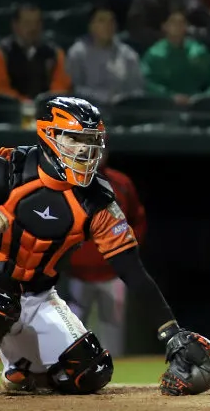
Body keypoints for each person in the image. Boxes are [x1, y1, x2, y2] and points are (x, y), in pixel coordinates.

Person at [0, 96, 210, 397]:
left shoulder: (98, 201)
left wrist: (171, 332)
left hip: (37, 295)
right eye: (74, 139)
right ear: (49, 136)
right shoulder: (7, 164)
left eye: (91, 140)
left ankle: (20, 366)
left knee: (91, 372)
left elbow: (132, 270)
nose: (85, 149)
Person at [67, 152, 147, 358]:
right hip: (77, 274)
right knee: (70, 329)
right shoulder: (67, 181)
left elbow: (137, 218)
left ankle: (113, 370)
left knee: (112, 329)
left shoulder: (120, 183)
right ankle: (68, 368)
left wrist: (127, 251)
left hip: (113, 273)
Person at [0, 4, 72, 102]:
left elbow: (60, 87)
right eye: (27, 23)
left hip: (47, 108)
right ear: (15, 25)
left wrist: (46, 103)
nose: (33, 28)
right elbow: (0, 89)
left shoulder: (55, 53)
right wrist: (26, 104)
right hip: (12, 109)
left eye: (37, 23)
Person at [141, 9, 210, 105]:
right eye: (173, 22)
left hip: (198, 106)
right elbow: (147, 84)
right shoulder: (154, 55)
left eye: (181, 23)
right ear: (164, 26)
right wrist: (170, 97)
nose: (178, 27)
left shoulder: (198, 52)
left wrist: (203, 98)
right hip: (165, 107)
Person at [66, 4, 145, 105]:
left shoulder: (128, 54)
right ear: (91, 26)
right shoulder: (78, 53)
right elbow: (74, 89)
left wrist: (124, 100)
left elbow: (137, 89)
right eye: (101, 21)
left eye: (111, 21)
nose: (108, 26)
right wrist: (105, 98)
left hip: (123, 109)